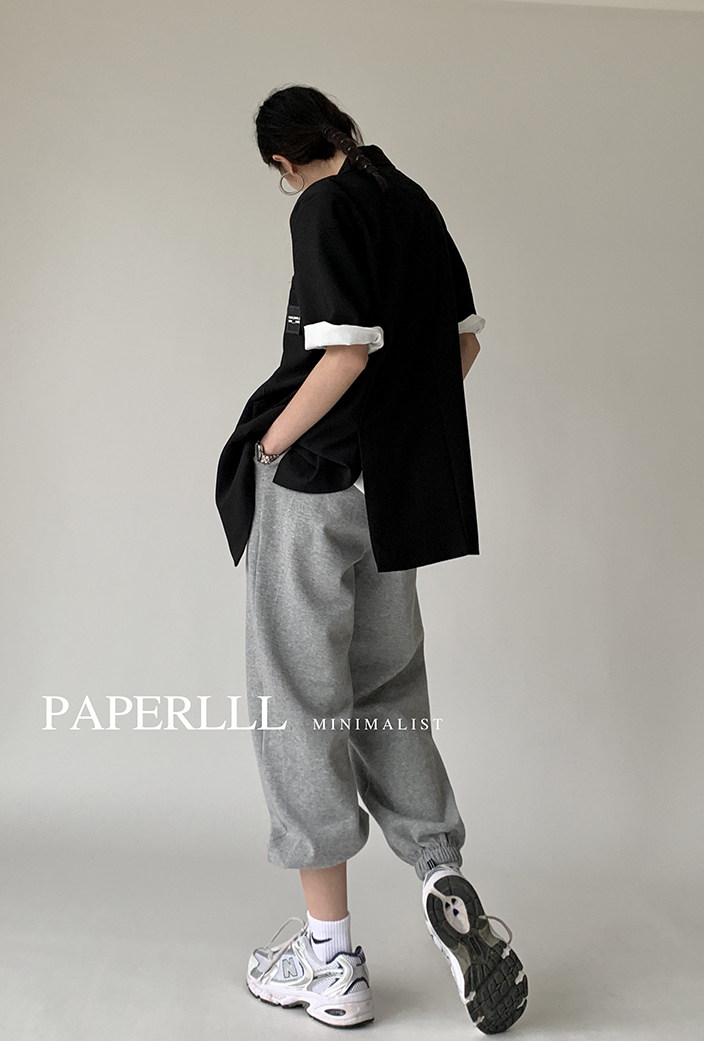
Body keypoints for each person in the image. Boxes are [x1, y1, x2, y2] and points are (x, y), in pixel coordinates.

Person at [214, 84, 528, 1033]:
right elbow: (460, 346)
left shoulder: (323, 205)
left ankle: (330, 961)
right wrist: (390, 437)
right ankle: (440, 871)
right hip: (388, 497)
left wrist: (273, 448)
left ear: (283, 161)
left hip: (313, 491)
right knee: (390, 691)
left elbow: (343, 355)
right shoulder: (409, 197)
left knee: (298, 703)